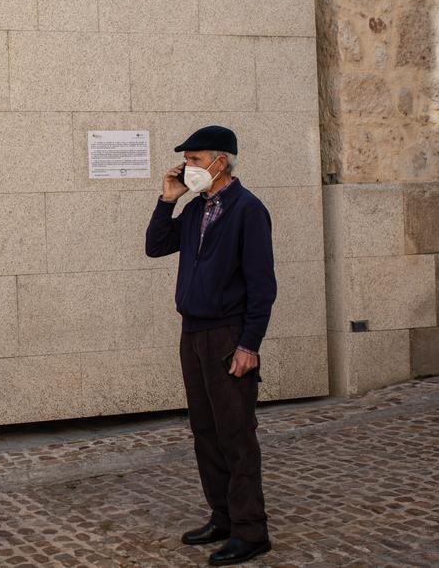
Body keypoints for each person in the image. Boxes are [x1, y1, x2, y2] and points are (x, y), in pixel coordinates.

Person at [145, 126, 277, 566]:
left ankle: (250, 530)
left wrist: (249, 344)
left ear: (221, 162)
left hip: (228, 333)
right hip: (194, 332)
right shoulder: (200, 208)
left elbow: (262, 286)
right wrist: (169, 199)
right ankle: (222, 516)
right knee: (206, 430)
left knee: (236, 433)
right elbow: (156, 245)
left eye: (196, 160)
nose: (189, 168)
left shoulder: (247, 209)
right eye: (188, 161)